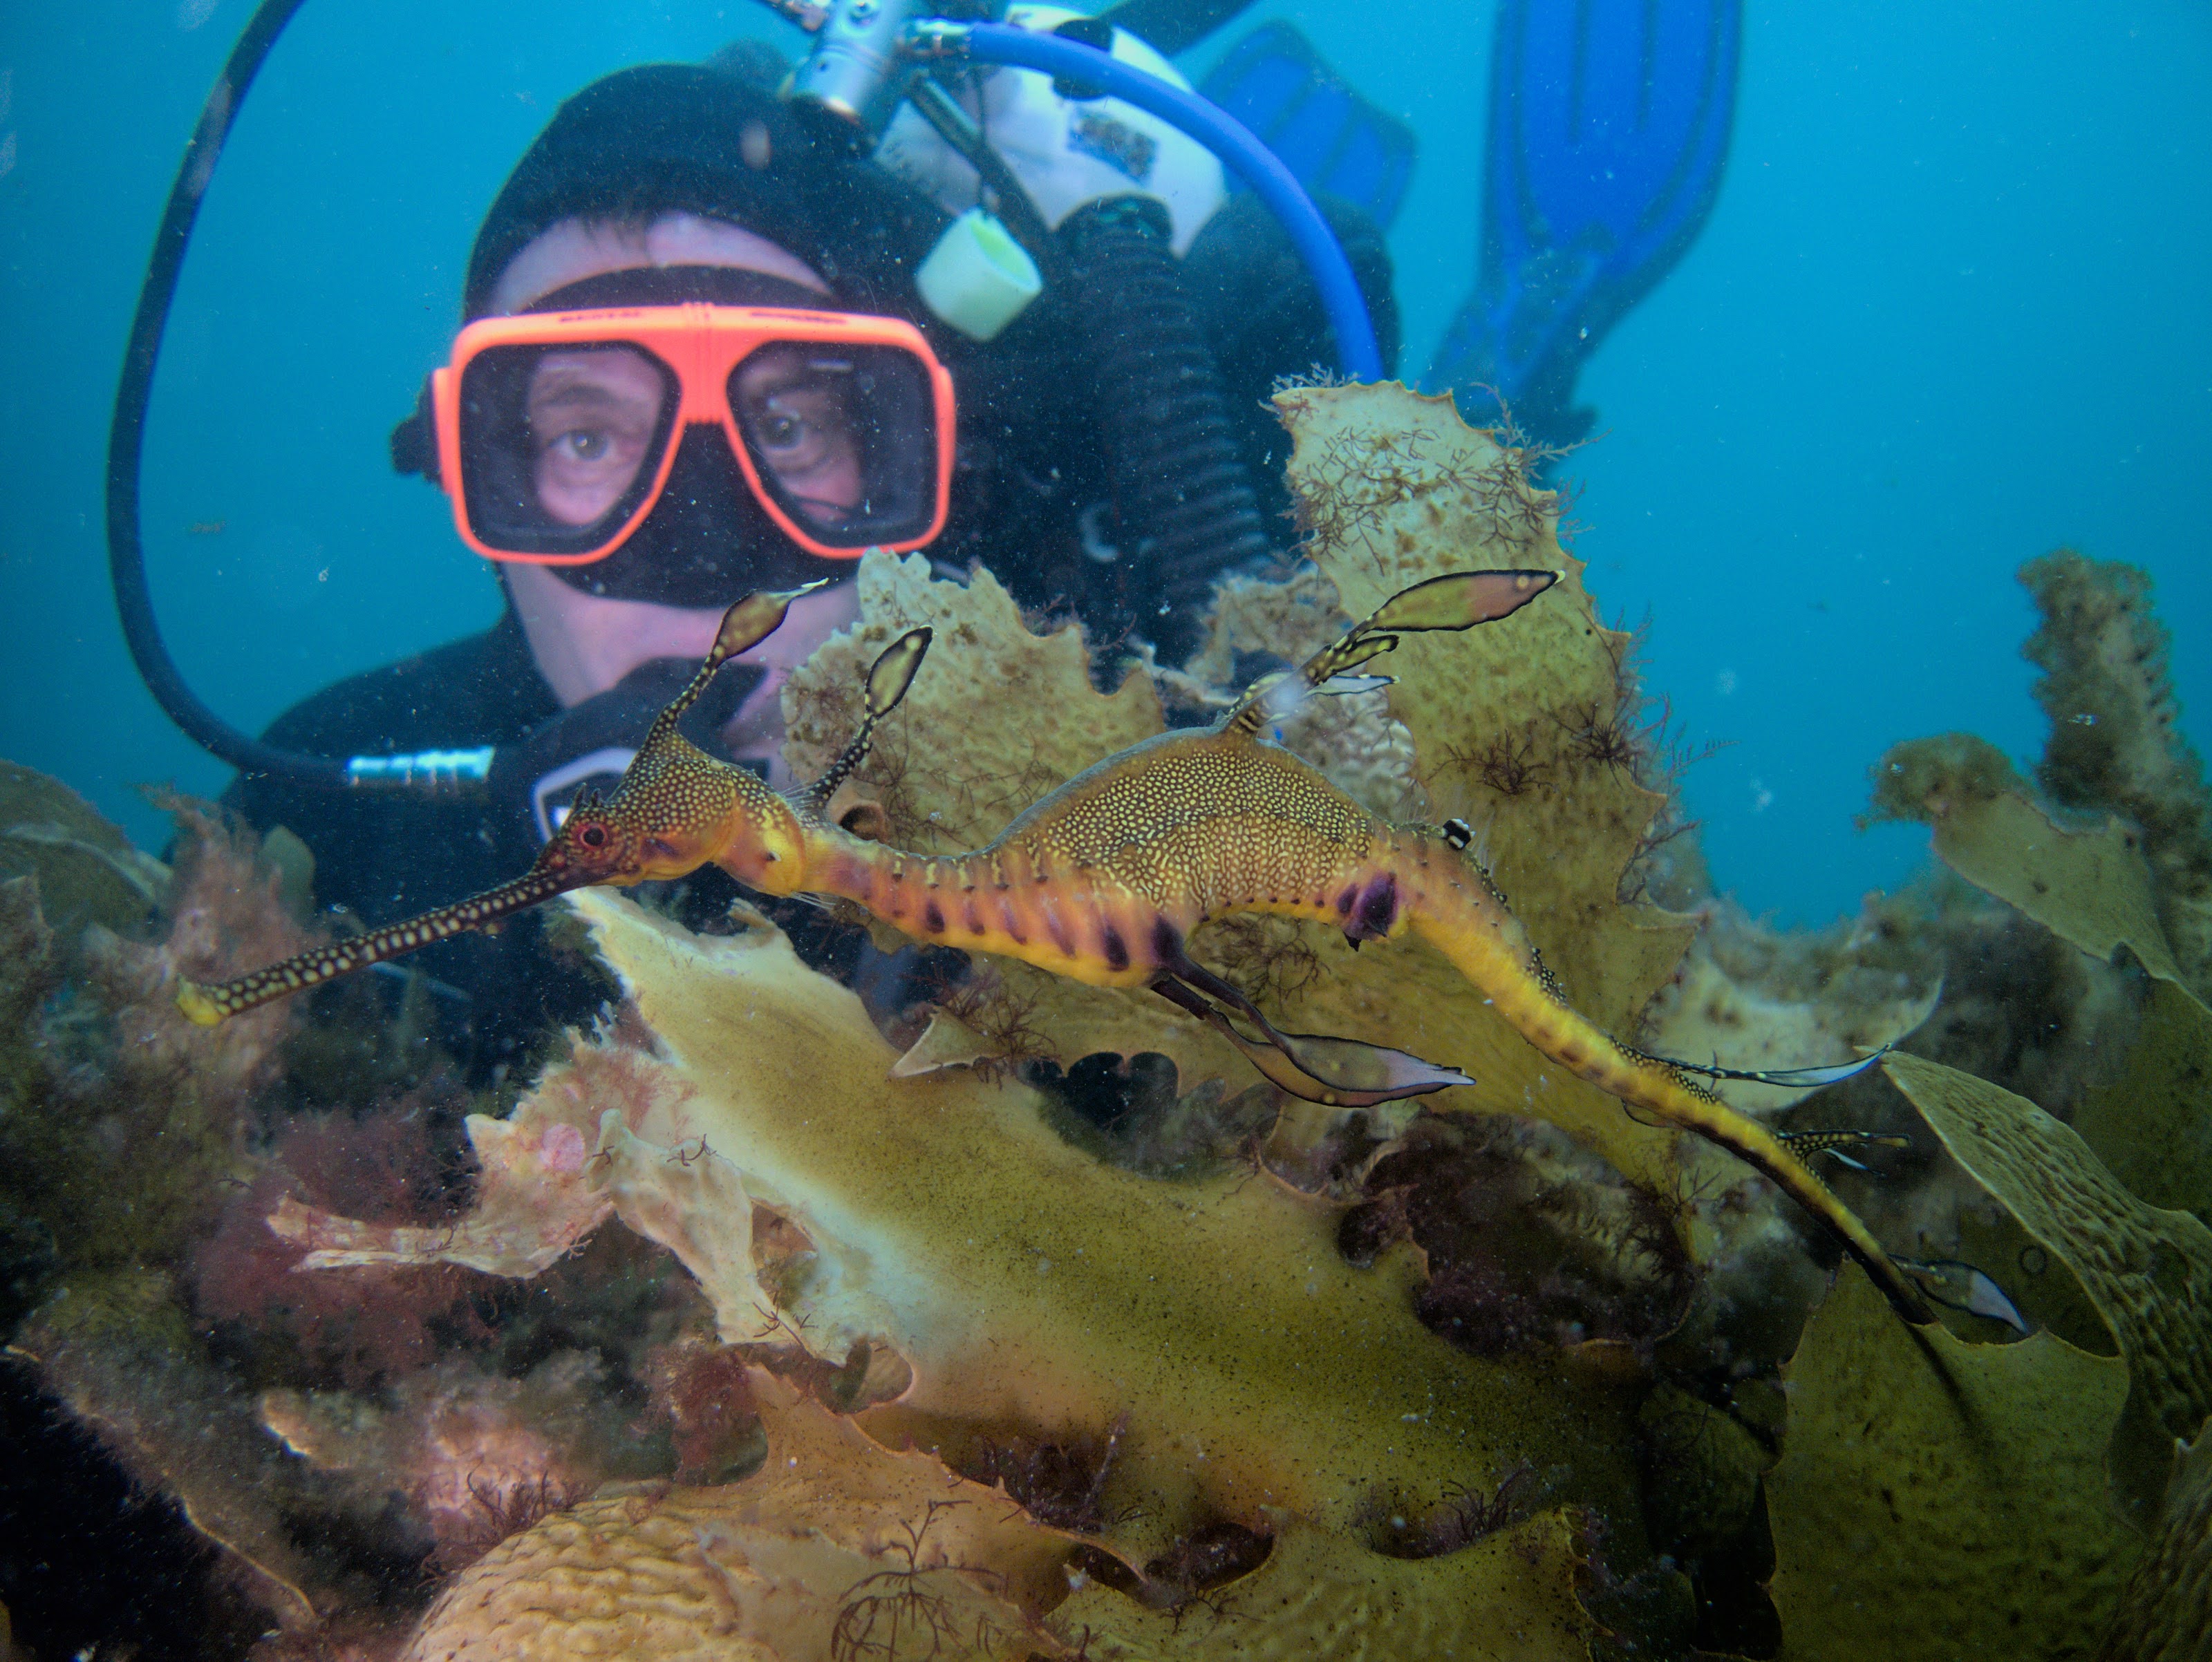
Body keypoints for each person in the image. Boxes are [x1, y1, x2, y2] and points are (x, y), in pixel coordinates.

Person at [228, 39, 1400, 1078]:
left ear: (904, 455)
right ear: (473, 467)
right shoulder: (327, 822)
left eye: (785, 426)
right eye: (588, 438)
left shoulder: (1098, 798)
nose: (702, 559)